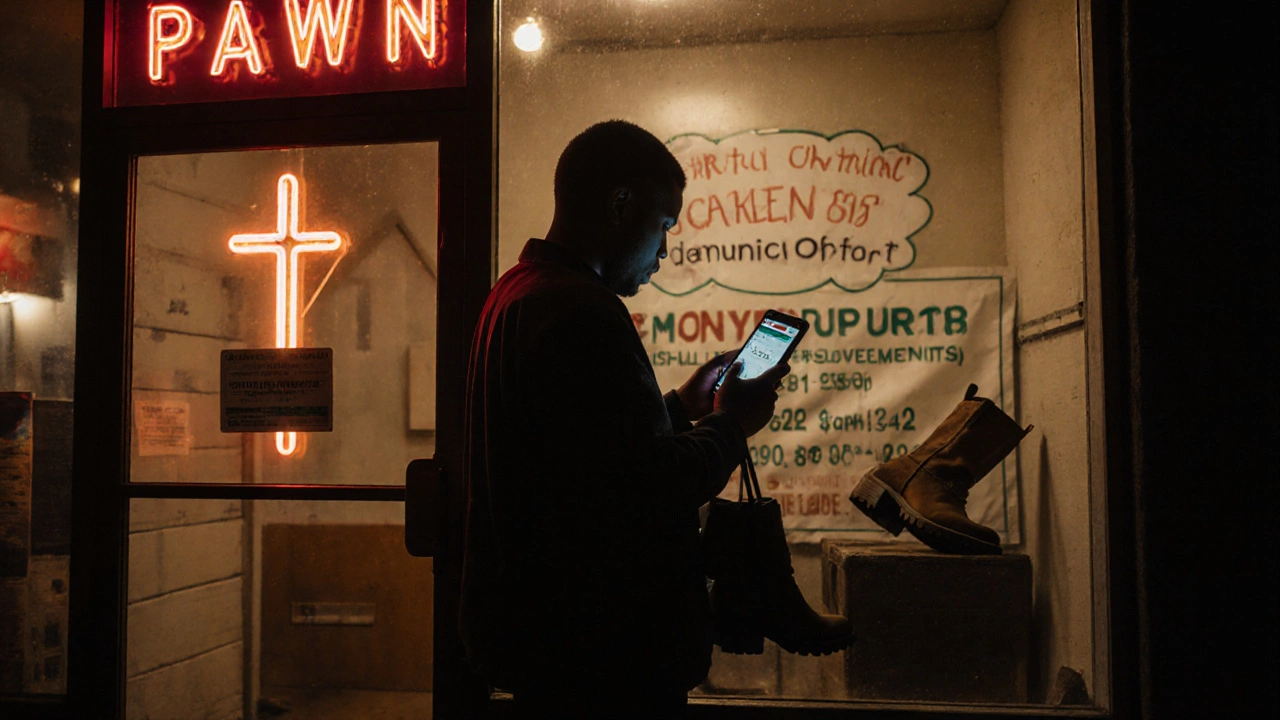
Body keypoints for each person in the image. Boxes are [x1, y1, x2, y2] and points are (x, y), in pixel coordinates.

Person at [459, 120, 787, 719]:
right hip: (603, 660)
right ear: (620, 204)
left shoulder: (514, 293)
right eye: (663, 226)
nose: (664, 251)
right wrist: (732, 422)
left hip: (542, 644)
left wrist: (682, 407)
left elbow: (579, 458)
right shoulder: (582, 311)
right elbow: (649, 486)